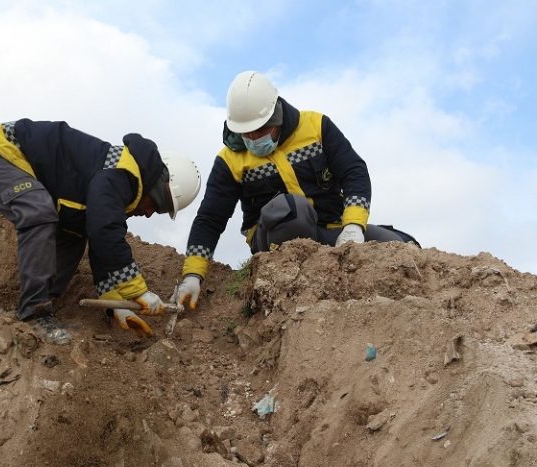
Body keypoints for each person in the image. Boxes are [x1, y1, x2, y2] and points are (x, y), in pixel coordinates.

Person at [172, 70, 417, 309]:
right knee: (292, 211)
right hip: (275, 239)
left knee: (401, 245)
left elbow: (354, 172)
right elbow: (210, 218)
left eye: (261, 130)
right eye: (247, 133)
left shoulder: (316, 127)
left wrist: (353, 226)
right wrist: (193, 274)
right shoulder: (230, 160)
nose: (255, 138)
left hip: (330, 230)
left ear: (276, 114)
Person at [0, 118, 201, 342]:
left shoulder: (120, 185)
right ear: (157, 189)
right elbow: (105, 231)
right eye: (157, 206)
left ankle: (41, 308)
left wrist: (115, 302)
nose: (150, 213)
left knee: (74, 234)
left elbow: (99, 240)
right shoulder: (119, 175)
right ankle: (34, 313)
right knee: (39, 212)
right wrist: (138, 291)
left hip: (11, 163)